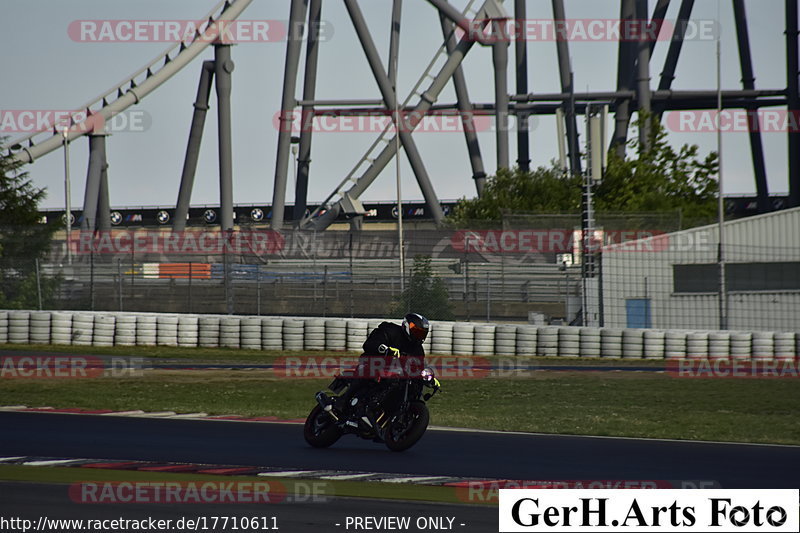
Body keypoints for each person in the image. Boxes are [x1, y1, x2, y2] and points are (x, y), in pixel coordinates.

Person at [335, 313, 430, 417]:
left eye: (421, 333)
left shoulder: (417, 349)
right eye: (416, 331)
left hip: (396, 374)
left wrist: (427, 376)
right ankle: (342, 401)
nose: (418, 335)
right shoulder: (390, 330)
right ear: (407, 326)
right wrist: (385, 349)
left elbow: (419, 365)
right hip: (373, 363)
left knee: (413, 384)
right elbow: (370, 344)